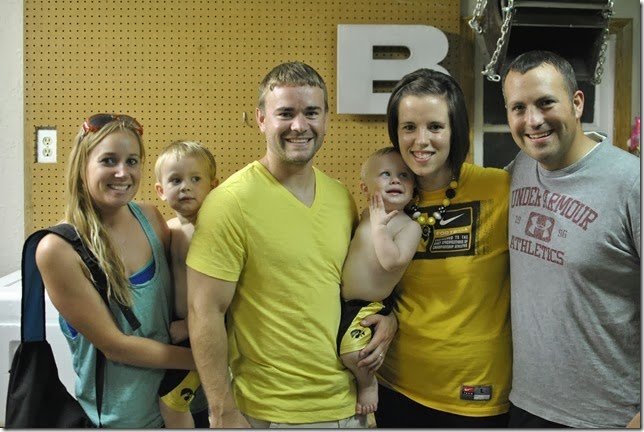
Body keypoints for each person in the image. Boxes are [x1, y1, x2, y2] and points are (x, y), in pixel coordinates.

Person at [186, 61, 398, 428]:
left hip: (351, 408)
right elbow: (204, 312)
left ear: (326, 119)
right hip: (271, 414)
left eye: (311, 113)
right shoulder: (230, 203)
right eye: (285, 113)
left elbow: (354, 287)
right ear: (261, 119)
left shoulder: (340, 197)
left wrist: (389, 318)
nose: (299, 126)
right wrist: (222, 411)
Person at [501, 50, 640, 428]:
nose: (533, 120)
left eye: (546, 103)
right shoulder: (520, 168)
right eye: (518, 108)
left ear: (577, 103)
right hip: (525, 404)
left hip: (608, 417)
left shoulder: (632, 183)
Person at [35, 114, 196, 428]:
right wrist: (210, 359)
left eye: (132, 161)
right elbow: (116, 346)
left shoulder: (150, 218)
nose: (123, 173)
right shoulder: (58, 249)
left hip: (185, 405)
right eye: (109, 160)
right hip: (124, 420)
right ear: (82, 165)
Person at [374, 68, 512, 428]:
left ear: (455, 130)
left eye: (435, 126)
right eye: (409, 127)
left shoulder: (500, 189)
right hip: (396, 388)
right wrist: (385, 312)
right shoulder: (388, 199)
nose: (421, 141)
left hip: (476, 395)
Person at [339, 146, 421, 416]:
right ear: (364, 188)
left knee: (355, 355)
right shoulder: (364, 215)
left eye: (404, 175)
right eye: (386, 174)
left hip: (370, 305)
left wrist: (380, 228)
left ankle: (368, 384)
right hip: (342, 301)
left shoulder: (409, 226)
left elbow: (392, 261)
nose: (396, 179)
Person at [154, 140, 219, 427]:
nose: (185, 187)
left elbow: (224, 297)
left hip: (201, 329)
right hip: (178, 332)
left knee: (173, 403)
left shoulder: (214, 231)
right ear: (161, 190)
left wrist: (189, 325)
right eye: (175, 180)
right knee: (189, 403)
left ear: (213, 186)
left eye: (195, 179)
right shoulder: (167, 230)